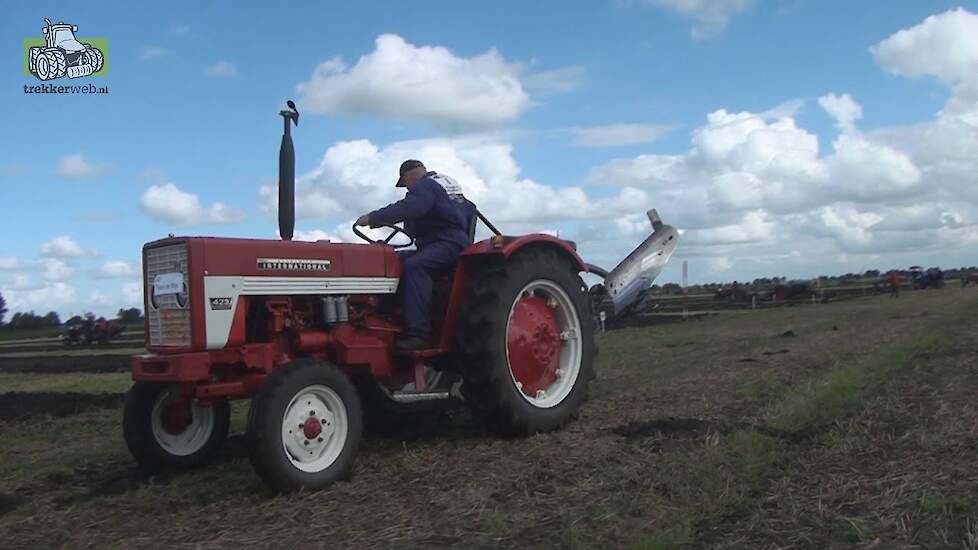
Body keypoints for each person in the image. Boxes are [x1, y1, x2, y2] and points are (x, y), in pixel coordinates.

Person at [356, 160, 469, 350]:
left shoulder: (426, 185)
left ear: (408, 175)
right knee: (393, 260)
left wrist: (374, 217)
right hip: (435, 242)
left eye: (405, 183)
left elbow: (412, 207)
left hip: (447, 242)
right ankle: (383, 315)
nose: (407, 188)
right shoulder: (447, 187)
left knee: (416, 266)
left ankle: (418, 332)